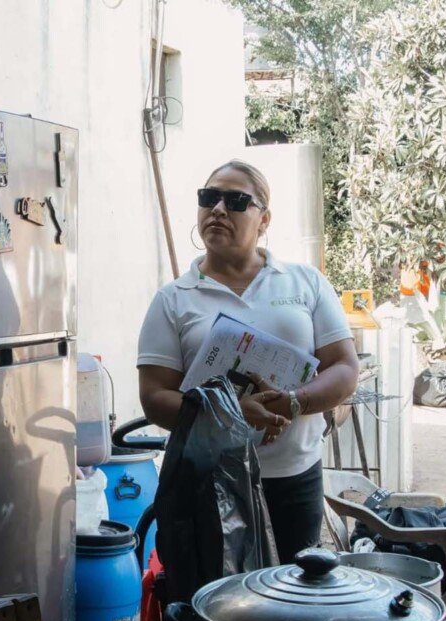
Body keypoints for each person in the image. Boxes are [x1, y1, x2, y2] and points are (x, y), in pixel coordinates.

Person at [136, 159, 359, 561]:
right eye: (209, 198)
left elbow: (344, 368)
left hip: (293, 480)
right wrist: (231, 414)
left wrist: (296, 401)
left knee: (291, 605)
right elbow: (154, 398)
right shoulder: (173, 299)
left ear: (264, 219)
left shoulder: (304, 283)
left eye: (237, 201)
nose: (218, 209)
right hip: (207, 485)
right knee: (214, 609)